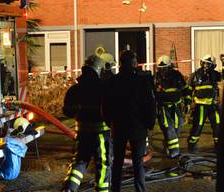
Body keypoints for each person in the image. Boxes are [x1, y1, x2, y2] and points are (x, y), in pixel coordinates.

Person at [102, 50, 156, 192]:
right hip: (138, 128)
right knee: (138, 163)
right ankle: (140, 189)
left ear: (120, 63)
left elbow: (106, 105)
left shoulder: (112, 81)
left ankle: (115, 189)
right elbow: (149, 104)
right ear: (133, 63)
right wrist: (150, 123)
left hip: (118, 127)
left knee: (117, 162)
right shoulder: (142, 81)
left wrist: (110, 123)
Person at [62, 55, 111, 192]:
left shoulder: (75, 89)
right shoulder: (103, 88)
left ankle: (70, 188)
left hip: (82, 133)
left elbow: (67, 111)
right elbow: (112, 109)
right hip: (100, 135)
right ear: (99, 70)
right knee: (103, 164)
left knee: (80, 162)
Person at [155, 55, 190, 159]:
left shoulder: (177, 75)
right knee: (168, 128)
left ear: (169, 67)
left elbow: (185, 89)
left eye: (164, 68)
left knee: (177, 127)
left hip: (176, 107)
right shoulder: (155, 78)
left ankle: (167, 143)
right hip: (163, 108)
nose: (162, 71)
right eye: (160, 68)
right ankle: (174, 151)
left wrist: (187, 103)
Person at [187, 54, 221, 153]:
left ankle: (218, 147)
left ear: (213, 66)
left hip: (212, 105)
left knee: (218, 125)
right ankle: (191, 146)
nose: (206, 66)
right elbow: (188, 90)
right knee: (198, 126)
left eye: (209, 64)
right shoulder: (195, 75)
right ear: (202, 63)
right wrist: (188, 103)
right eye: (205, 63)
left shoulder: (215, 75)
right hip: (200, 106)